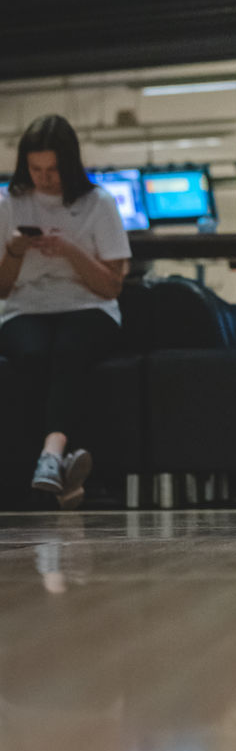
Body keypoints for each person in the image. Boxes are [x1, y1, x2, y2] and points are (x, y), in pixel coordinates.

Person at [0, 115, 131, 507]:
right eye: (36, 169)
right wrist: (14, 252)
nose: (44, 179)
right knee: (33, 354)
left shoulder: (99, 204)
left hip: (88, 305)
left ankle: (52, 455)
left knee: (70, 350)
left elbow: (111, 285)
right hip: (26, 306)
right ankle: (63, 463)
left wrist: (72, 251)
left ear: (69, 165)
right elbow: (3, 289)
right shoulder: (10, 203)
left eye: (53, 169)